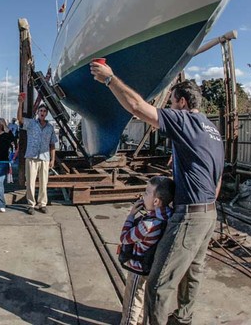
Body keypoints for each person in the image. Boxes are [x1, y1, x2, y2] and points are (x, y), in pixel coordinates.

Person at [90, 63, 224, 325]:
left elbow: (139, 108)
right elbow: (217, 180)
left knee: (158, 286)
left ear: (182, 103)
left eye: (172, 103)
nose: (170, 108)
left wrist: (110, 80)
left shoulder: (185, 120)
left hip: (190, 217)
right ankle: (183, 320)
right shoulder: (212, 130)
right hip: (209, 214)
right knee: (191, 275)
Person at [118, 176, 175, 325]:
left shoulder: (148, 224)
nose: (143, 196)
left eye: (146, 193)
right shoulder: (169, 216)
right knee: (143, 297)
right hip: (152, 267)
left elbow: (125, 238)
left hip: (138, 268)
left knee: (132, 300)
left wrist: (131, 215)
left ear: (156, 201)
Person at [17, 98, 57, 215]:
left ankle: (42, 204)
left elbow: (52, 144)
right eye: (41, 111)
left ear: (46, 113)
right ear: (38, 113)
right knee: (30, 182)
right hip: (31, 157)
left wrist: (52, 159)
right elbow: (20, 119)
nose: (42, 113)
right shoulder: (31, 123)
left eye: (44, 111)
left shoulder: (50, 128)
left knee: (44, 182)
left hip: (44, 158)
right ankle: (31, 204)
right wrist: (20, 103)